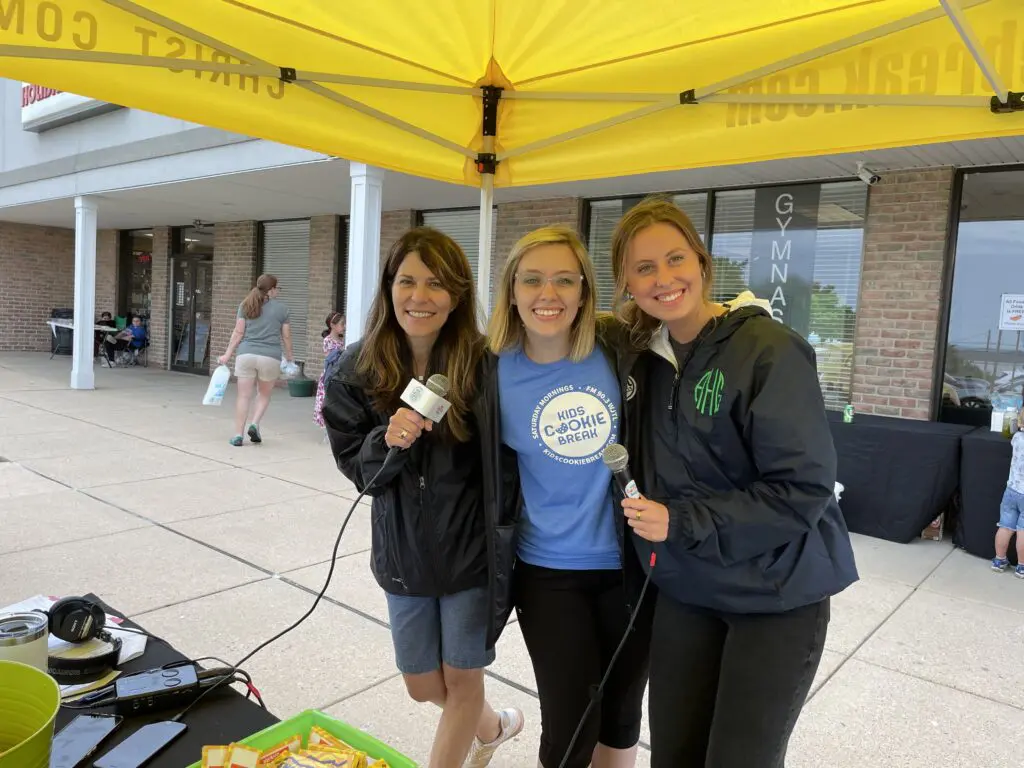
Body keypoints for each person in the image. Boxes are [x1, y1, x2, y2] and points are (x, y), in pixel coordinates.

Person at [607, 196, 859, 768]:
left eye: (675, 259)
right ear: (626, 282)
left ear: (701, 261)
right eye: (644, 268)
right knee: (674, 755)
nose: (664, 279)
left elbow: (804, 488)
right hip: (687, 591)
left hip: (774, 597)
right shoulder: (642, 356)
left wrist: (679, 521)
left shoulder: (767, 349)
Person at [322, 228, 522, 768]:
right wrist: (385, 440)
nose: (420, 296)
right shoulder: (356, 369)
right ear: (389, 289)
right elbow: (358, 472)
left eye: (436, 284)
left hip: (473, 556)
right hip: (403, 555)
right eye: (407, 281)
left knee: (463, 677)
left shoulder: (487, 365)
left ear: (456, 294)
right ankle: (496, 726)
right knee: (421, 685)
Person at [488, 226, 652, 768]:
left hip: (630, 564)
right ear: (511, 290)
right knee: (571, 723)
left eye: (564, 280)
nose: (548, 294)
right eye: (532, 279)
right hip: (547, 570)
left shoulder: (619, 348)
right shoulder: (488, 369)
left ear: (584, 292)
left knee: (622, 717)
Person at [217, 274, 294, 447]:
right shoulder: (282, 309)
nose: (278, 291)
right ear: (272, 289)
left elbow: (238, 333)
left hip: (246, 355)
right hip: (270, 357)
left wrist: (227, 354)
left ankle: (238, 435)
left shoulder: (245, 305)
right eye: (277, 288)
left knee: (243, 396)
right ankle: (254, 423)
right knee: (264, 394)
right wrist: (290, 356)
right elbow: (286, 336)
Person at [992, 407, 1024, 577]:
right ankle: (1021, 566)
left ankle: (999, 559)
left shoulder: (1017, 438)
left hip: (1011, 491)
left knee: (1005, 526)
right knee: (1023, 531)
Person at [314, 311, 346, 428]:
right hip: (330, 373)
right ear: (333, 325)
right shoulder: (328, 340)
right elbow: (329, 360)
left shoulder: (342, 340)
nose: (344, 327)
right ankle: (327, 427)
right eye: (342, 324)